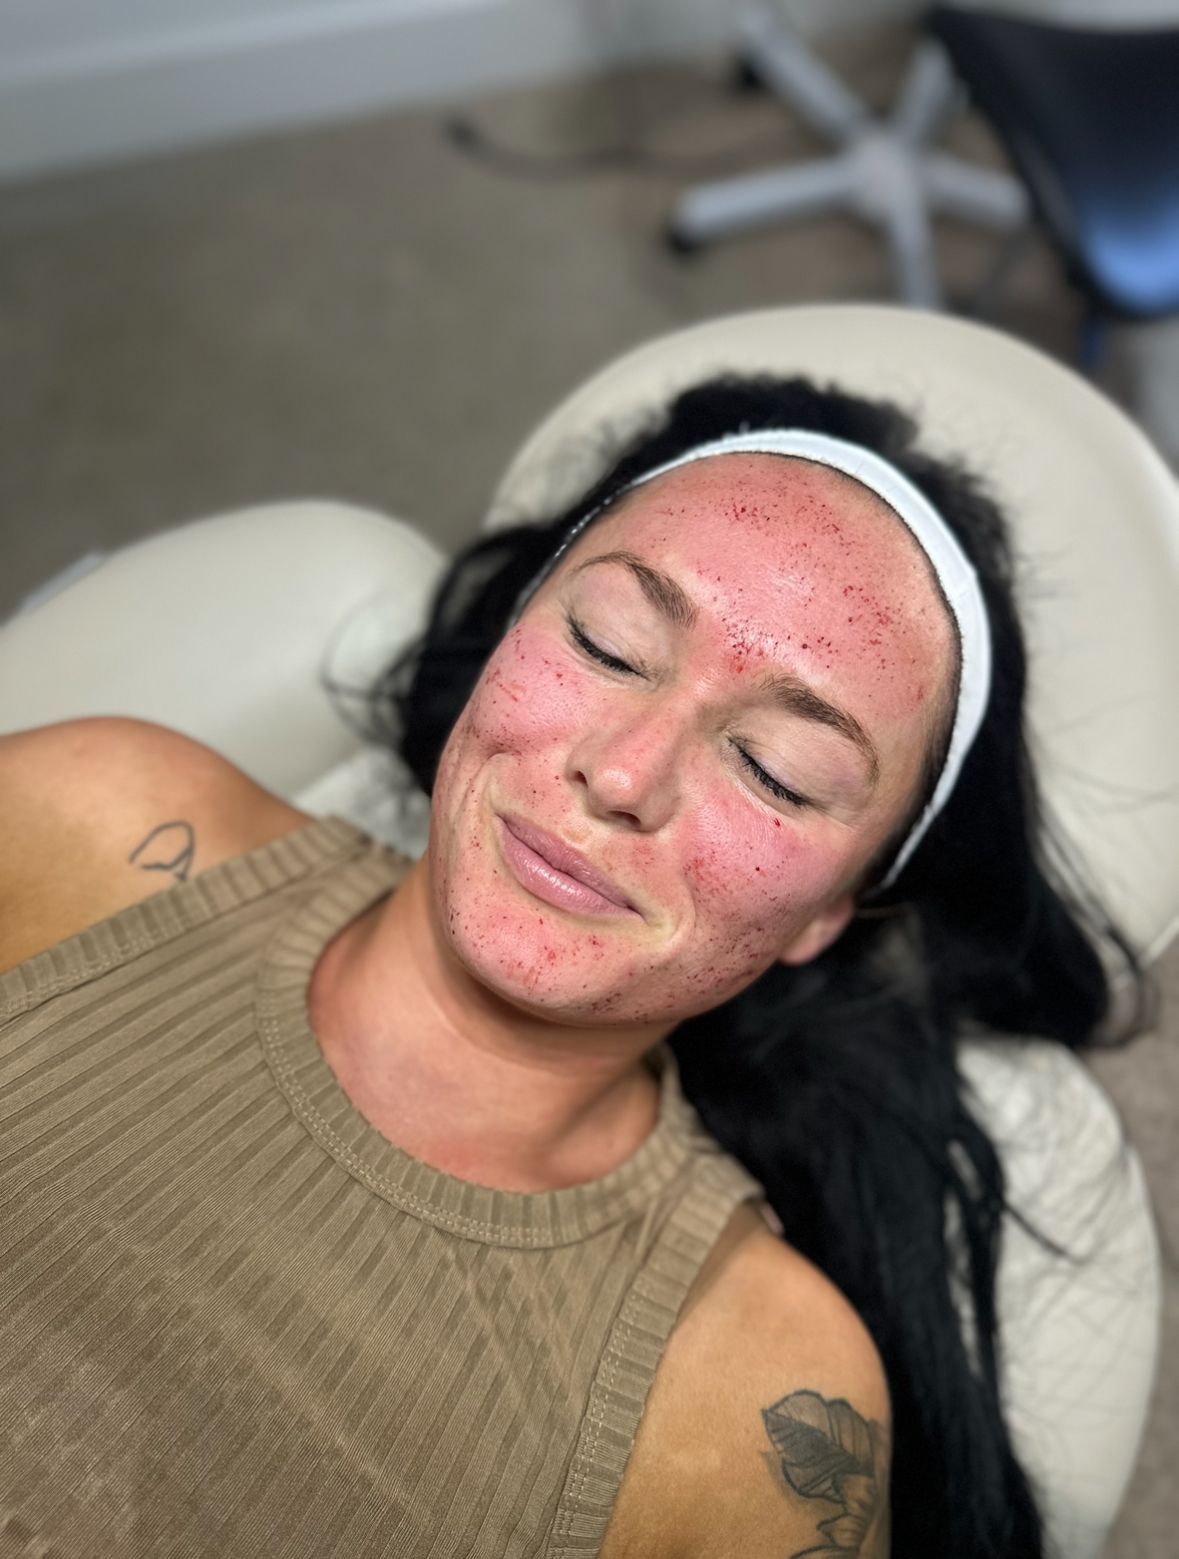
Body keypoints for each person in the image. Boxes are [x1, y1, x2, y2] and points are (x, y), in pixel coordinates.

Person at [0, 371, 1143, 1559]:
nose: (625, 771)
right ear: (511, 628)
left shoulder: (756, 1404)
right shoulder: (100, 820)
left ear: (829, 912)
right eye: (609, 642)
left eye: (778, 770)